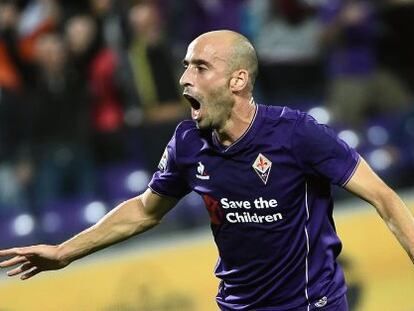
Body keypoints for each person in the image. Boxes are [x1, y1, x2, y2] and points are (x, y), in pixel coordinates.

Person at [0, 30, 413, 311]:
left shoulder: (297, 134)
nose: (183, 78)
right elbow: (146, 211)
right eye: (185, 66)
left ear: (238, 80)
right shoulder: (187, 144)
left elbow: (384, 198)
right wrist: (63, 252)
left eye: (199, 67)